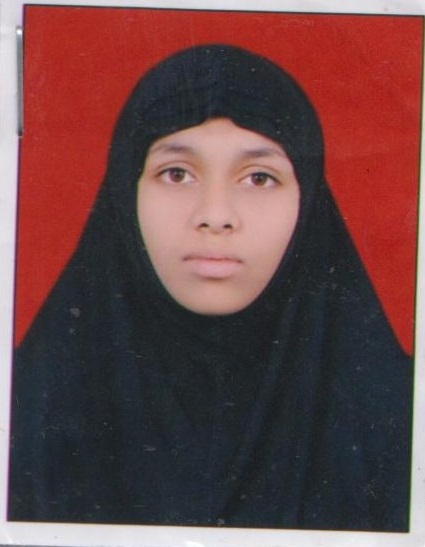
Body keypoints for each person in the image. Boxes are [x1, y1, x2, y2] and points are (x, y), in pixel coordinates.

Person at [8, 44, 412, 531]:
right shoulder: (24, 405)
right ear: (125, 190)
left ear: (307, 202)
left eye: (259, 178)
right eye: (176, 174)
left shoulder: (399, 417)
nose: (215, 215)